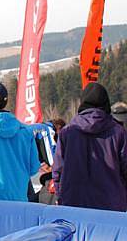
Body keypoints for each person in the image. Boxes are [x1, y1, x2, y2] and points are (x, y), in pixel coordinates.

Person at [52, 82, 127, 212]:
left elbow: (58, 170)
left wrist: (61, 196)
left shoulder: (67, 132)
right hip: (111, 205)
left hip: (74, 204)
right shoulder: (118, 132)